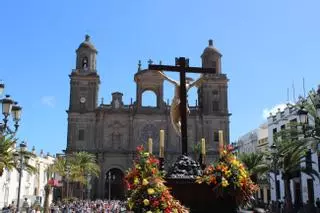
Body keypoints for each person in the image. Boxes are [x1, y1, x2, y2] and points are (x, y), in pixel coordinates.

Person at [158, 71, 203, 135]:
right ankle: (182, 124)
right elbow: (195, 81)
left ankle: (180, 133)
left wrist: (160, 73)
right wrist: (202, 76)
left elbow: (167, 78)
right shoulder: (188, 85)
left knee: (174, 121)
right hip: (184, 102)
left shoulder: (177, 83)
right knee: (185, 114)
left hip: (176, 102)